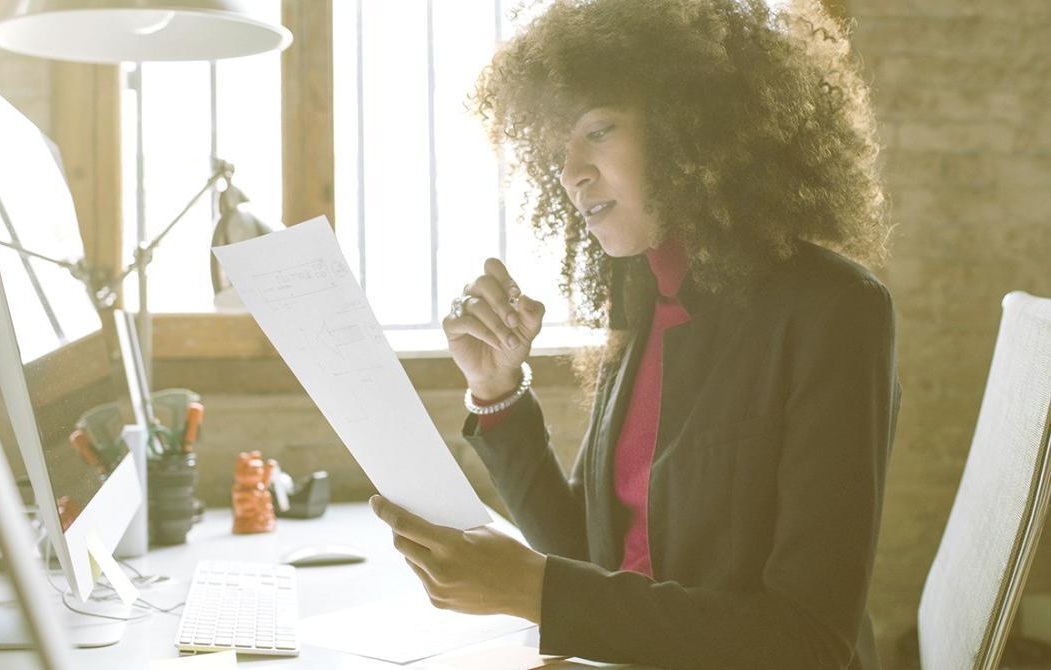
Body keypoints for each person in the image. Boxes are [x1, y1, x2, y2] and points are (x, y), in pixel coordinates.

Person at [370, 0, 899, 667]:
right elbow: (593, 554)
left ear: (691, 124)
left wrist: (535, 590)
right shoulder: (646, 295)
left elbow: (809, 641)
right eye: (555, 147)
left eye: (597, 130)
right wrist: (497, 391)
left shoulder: (835, 311)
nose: (570, 171)